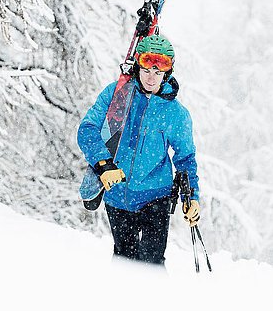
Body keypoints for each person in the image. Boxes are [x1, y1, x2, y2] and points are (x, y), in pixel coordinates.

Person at [77, 34, 200, 265]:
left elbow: (186, 159)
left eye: (158, 71)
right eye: (146, 70)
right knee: (124, 261)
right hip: (117, 195)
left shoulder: (175, 113)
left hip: (156, 197)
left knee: (151, 264)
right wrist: (104, 165)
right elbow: (87, 129)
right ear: (137, 66)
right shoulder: (117, 95)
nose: (151, 77)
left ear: (167, 72)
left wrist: (191, 196)